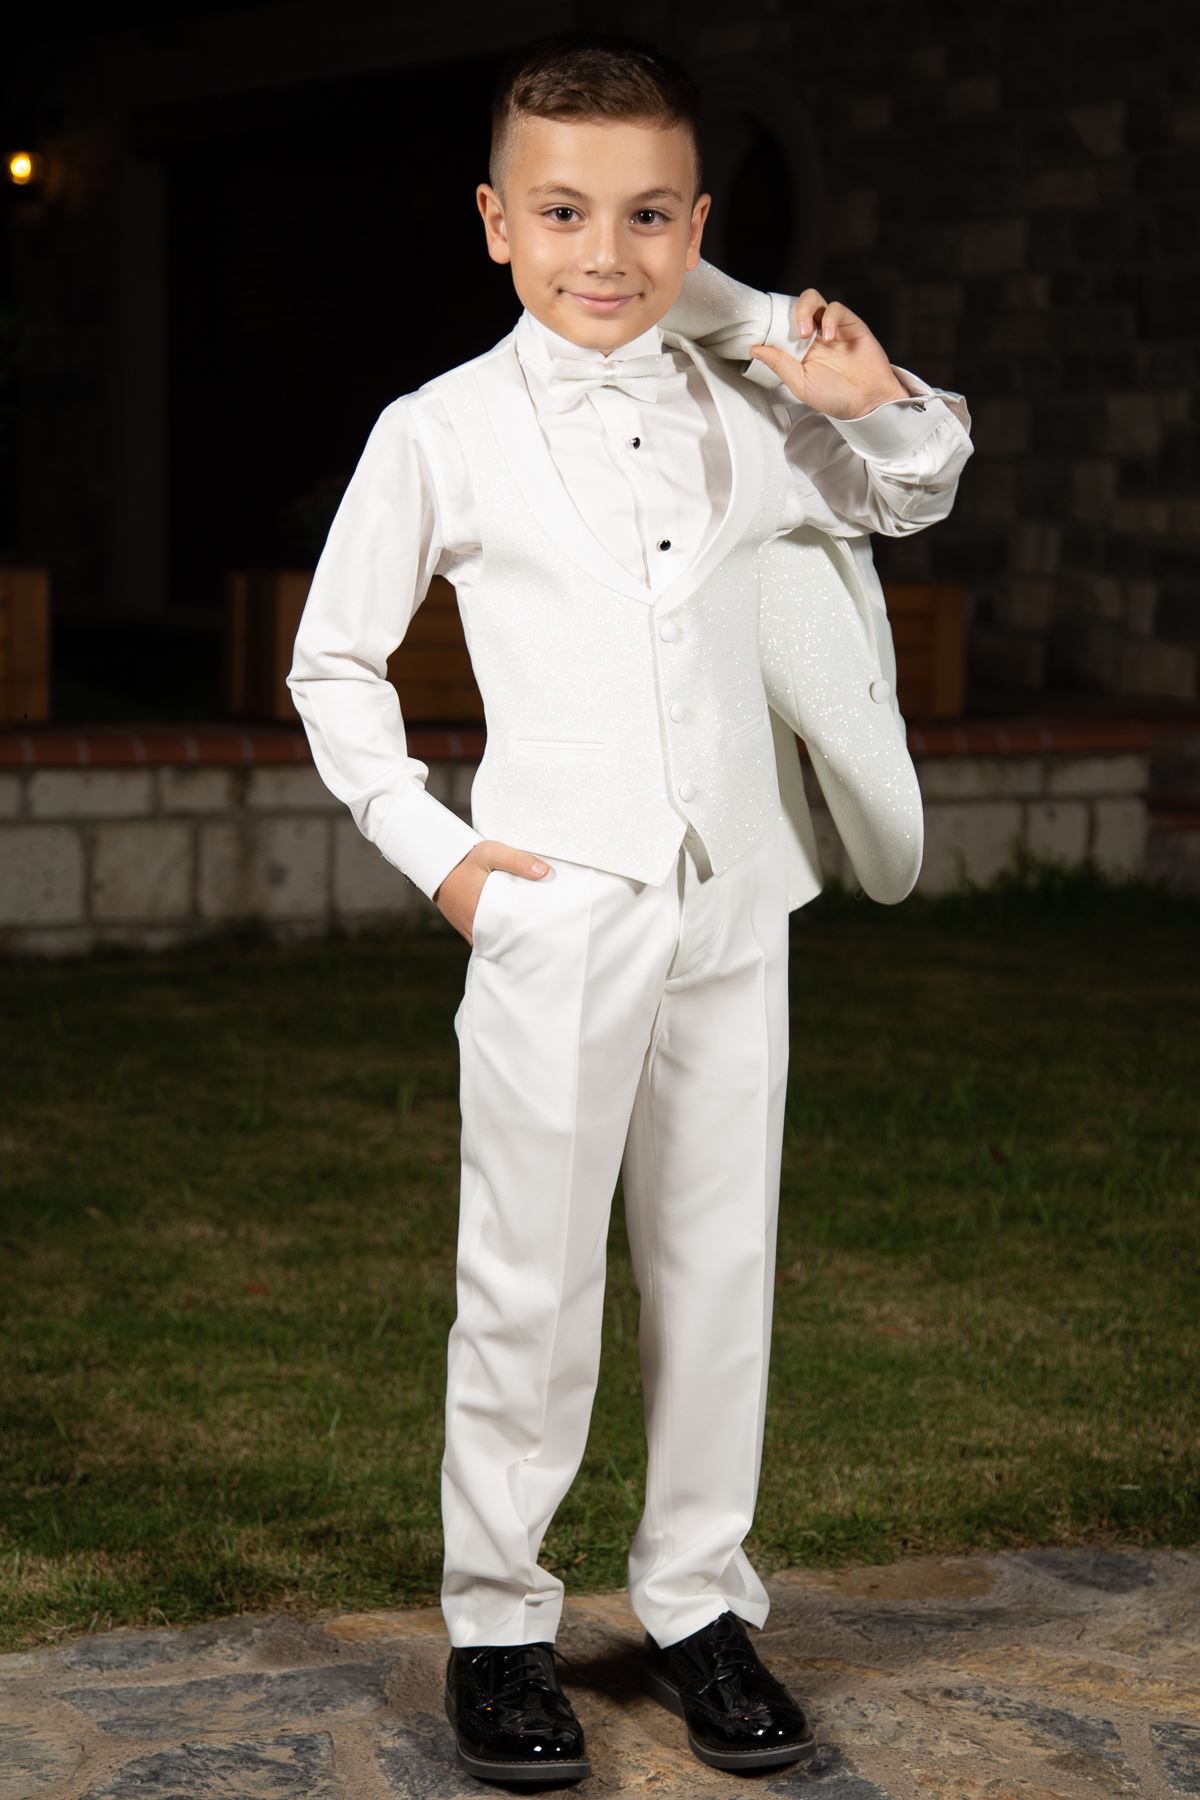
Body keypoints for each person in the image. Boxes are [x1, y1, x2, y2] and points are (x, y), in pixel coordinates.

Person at [286, 29, 973, 1787]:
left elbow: (913, 485)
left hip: (736, 900)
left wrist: (858, 390)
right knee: (526, 1278)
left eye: (650, 215)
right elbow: (333, 661)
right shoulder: (438, 430)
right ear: (495, 222)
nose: (608, 252)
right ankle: (498, 1625)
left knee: (718, 1262)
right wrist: (438, 851)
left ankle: (698, 1604)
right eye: (565, 212)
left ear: (699, 227)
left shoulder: (751, 407)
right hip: (555, 909)